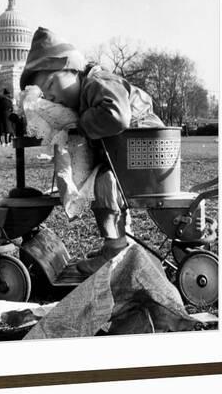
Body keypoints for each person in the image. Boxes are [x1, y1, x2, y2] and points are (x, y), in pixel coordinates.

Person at [20, 27, 164, 276]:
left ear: (73, 67)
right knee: (102, 180)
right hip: (134, 156)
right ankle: (116, 244)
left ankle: (116, 249)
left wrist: (81, 125)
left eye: (53, 83)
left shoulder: (96, 83)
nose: (53, 95)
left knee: (104, 183)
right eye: (47, 93)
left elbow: (117, 116)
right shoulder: (89, 90)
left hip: (145, 155)